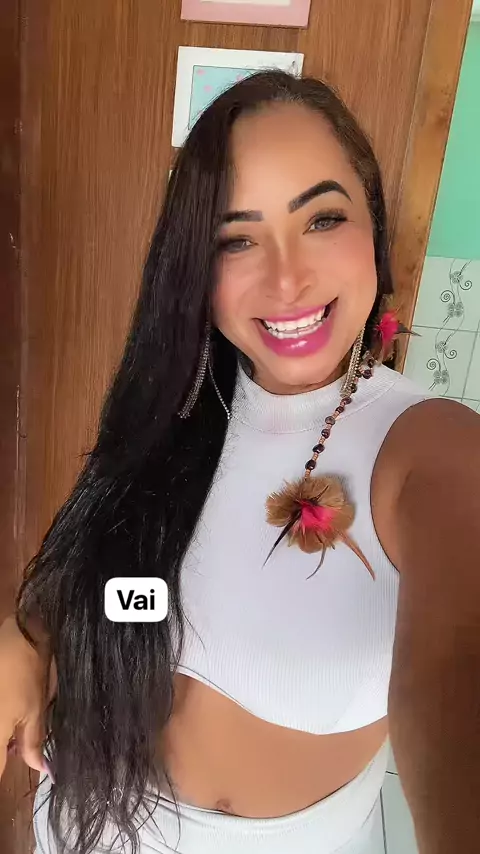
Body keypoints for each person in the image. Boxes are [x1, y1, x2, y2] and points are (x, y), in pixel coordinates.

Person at [0, 70, 479, 854]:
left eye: (322, 218)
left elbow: (461, 674)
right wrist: (32, 633)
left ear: (374, 225)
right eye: (238, 238)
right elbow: (139, 589)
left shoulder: (431, 450)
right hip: (84, 815)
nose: (286, 279)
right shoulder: (182, 406)